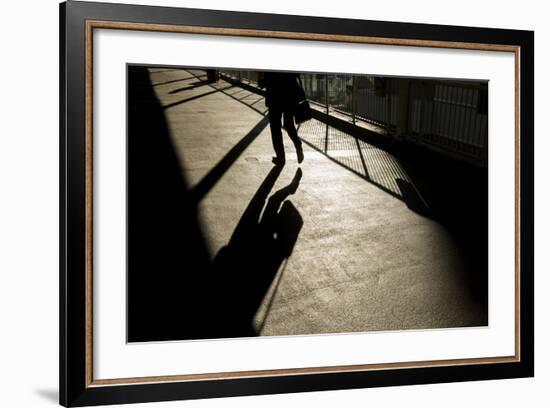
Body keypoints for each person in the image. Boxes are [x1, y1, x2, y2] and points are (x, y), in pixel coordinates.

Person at [258, 72, 304, 166]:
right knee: (288, 124)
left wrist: (260, 75)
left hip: (274, 97)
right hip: (289, 95)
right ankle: (297, 143)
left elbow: (262, 84)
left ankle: (281, 157)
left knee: (275, 128)